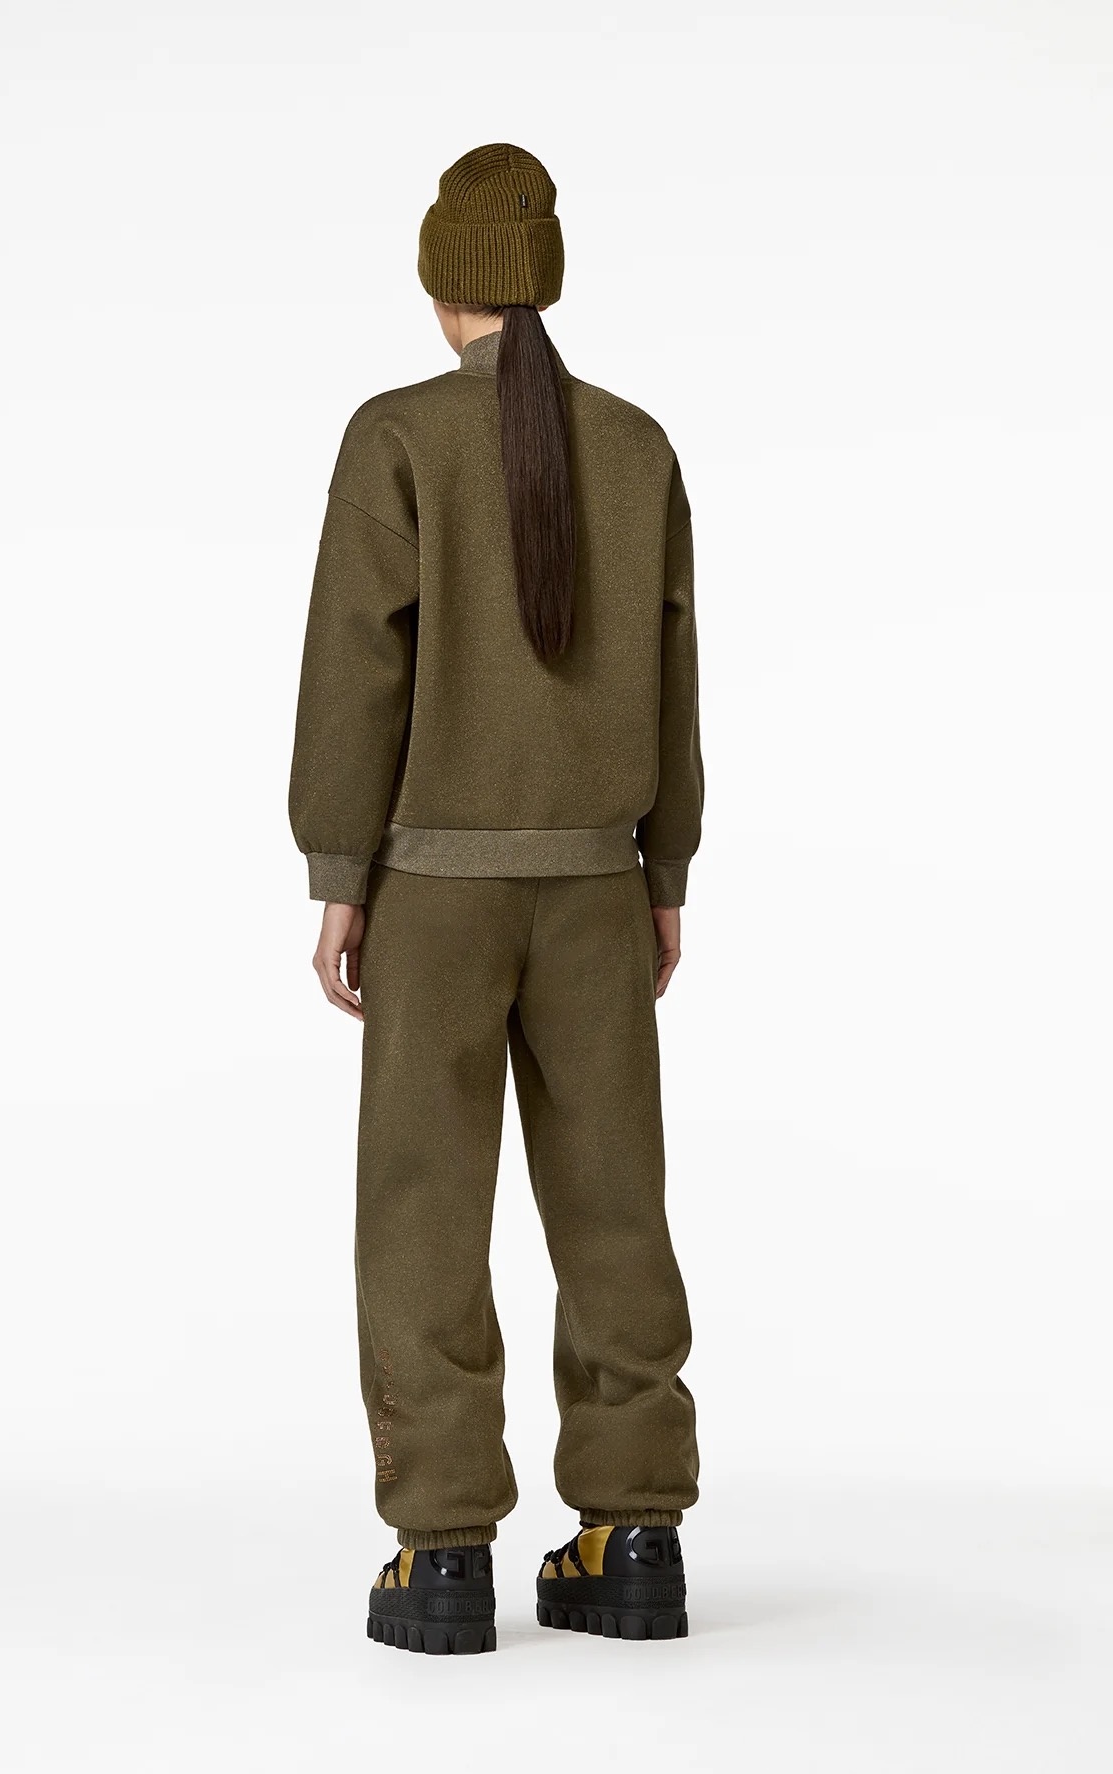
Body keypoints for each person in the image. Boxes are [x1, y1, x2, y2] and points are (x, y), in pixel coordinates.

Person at [288, 143, 702, 1655]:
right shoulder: (638, 446)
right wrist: (666, 870)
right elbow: (674, 677)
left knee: (424, 1205)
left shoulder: (396, 437)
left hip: (436, 897)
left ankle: (443, 1551)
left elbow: (357, 670)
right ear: (546, 279)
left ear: (442, 280)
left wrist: (340, 874)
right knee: (614, 1202)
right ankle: (631, 1535)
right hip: (599, 886)